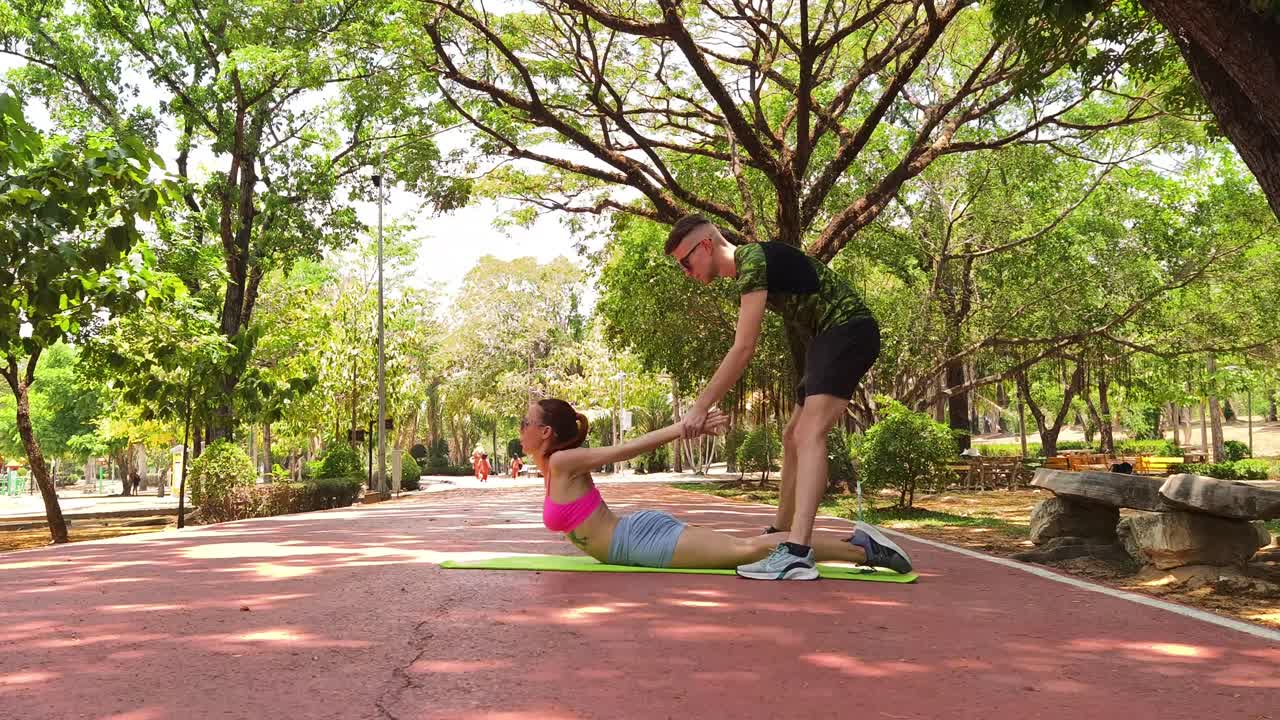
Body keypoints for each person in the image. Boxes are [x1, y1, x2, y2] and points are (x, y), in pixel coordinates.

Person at [664, 213, 910, 579]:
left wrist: (700, 407)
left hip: (848, 330)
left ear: (706, 245)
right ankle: (782, 532)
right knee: (792, 435)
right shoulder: (753, 269)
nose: (686, 272)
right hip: (825, 340)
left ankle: (797, 552)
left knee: (810, 434)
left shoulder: (753, 260)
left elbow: (744, 347)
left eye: (686, 262)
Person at [521, 398, 912, 575]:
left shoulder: (563, 461)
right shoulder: (551, 466)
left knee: (748, 549)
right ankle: (857, 544)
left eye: (526, 422)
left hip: (641, 544)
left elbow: (627, 449)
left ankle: (865, 551)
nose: (520, 429)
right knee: (749, 547)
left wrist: (686, 427)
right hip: (633, 540)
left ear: (545, 432)